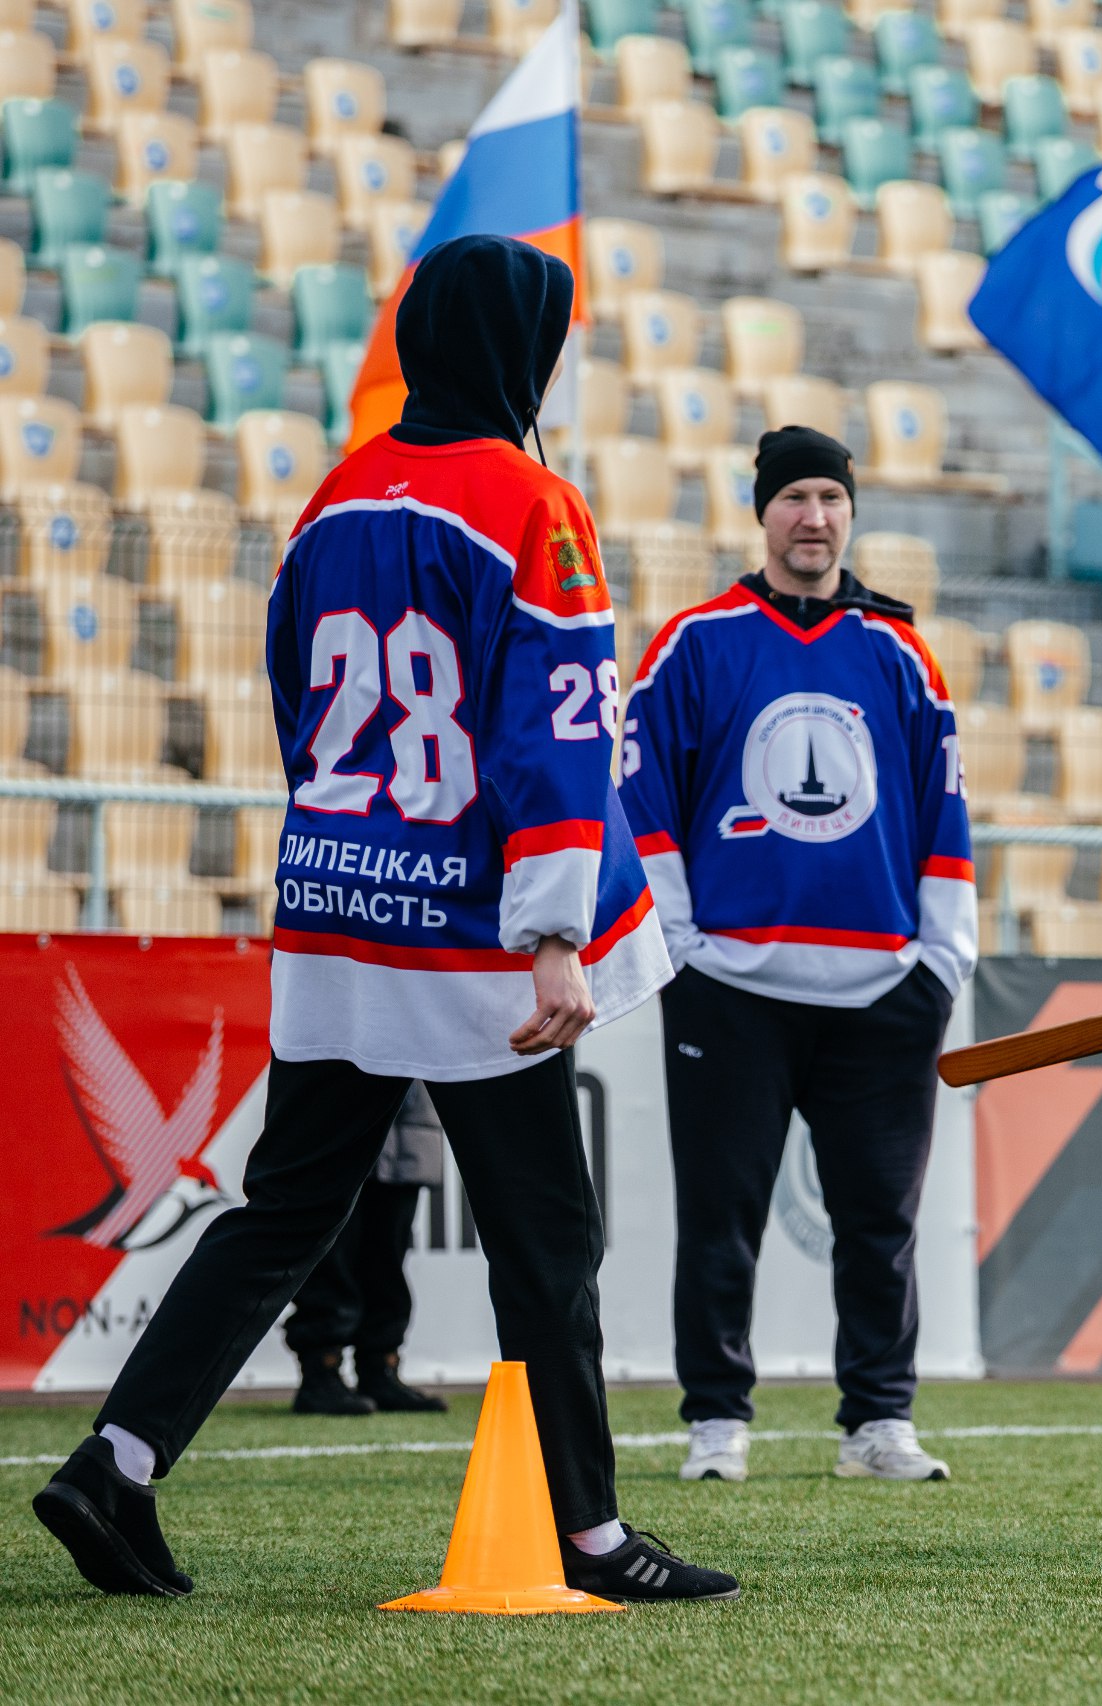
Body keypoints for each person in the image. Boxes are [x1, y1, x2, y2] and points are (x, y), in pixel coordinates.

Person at [29, 235, 737, 1604]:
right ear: (515, 348)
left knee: (281, 1208)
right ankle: (589, 1535)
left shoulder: (332, 498)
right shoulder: (536, 503)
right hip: (472, 937)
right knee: (549, 1242)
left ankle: (115, 1459)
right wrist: (553, 936)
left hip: (338, 908)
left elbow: (295, 704)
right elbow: (557, 737)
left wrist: (351, 848)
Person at [618, 426, 973, 1485]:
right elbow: (643, 805)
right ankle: (717, 1418)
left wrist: (940, 962)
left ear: (850, 512)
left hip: (880, 988)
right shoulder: (695, 641)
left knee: (879, 1218)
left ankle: (878, 1419)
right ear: (761, 511)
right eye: (794, 498)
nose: (813, 517)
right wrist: (680, 947)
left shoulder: (900, 651)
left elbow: (945, 809)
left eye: (830, 497)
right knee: (719, 1215)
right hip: (731, 986)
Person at [282, 1085, 450, 1416]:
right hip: (339, 1103)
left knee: (388, 1254)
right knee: (333, 1251)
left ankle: (380, 1368)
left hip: (409, 1122)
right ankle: (321, 1371)